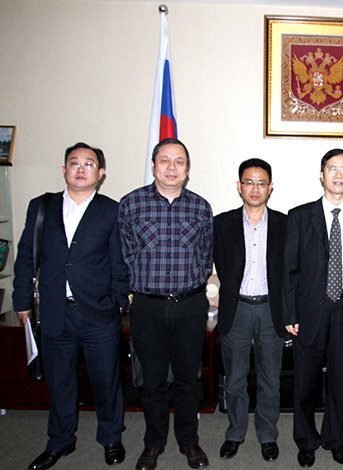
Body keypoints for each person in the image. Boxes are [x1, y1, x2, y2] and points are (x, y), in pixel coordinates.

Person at [13, 142, 129, 470]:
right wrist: (22, 299)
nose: (81, 169)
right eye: (74, 163)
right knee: (60, 381)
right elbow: (26, 255)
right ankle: (60, 441)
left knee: (106, 380)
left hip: (98, 313)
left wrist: (118, 303)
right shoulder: (41, 207)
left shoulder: (111, 210)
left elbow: (119, 263)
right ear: (64, 169)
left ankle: (111, 438)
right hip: (54, 312)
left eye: (88, 164)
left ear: (100, 173)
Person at [119, 138, 213, 470]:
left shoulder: (200, 207)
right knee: (153, 381)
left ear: (187, 169)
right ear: (154, 165)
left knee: (188, 379)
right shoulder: (131, 204)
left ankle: (189, 440)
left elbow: (205, 257)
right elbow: (125, 254)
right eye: (165, 160)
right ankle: (154, 443)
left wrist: (188, 288)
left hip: (189, 306)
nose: (172, 167)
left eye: (179, 161)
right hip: (148, 307)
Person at [283, 148, 343, 468]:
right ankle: (306, 441)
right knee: (305, 382)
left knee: (340, 382)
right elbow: (289, 269)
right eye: (332, 168)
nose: (338, 174)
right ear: (321, 175)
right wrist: (290, 313)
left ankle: (335, 440)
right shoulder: (299, 216)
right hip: (309, 311)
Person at [213, 158, 287, 463]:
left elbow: (292, 272)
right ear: (239, 186)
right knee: (235, 379)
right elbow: (220, 264)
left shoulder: (285, 224)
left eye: (261, 182)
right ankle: (235, 432)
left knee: (270, 380)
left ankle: (268, 434)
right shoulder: (222, 223)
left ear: (270, 187)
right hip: (237, 309)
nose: (255, 188)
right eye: (249, 182)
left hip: (271, 310)